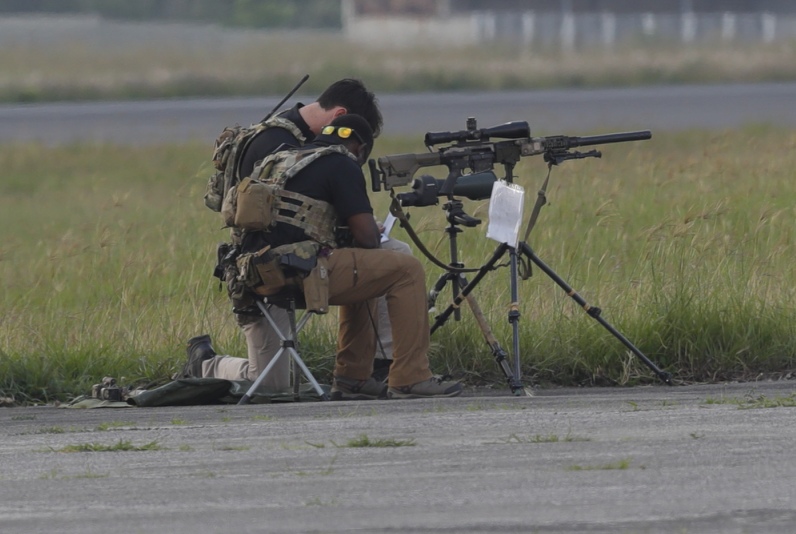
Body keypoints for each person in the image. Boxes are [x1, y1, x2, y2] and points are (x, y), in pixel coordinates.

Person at [195, 114, 461, 399]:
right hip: (299, 273)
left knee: (369, 270)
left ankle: (353, 379)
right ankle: (411, 378)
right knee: (406, 270)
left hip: (257, 276)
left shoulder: (282, 158)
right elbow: (368, 239)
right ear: (360, 148)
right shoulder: (341, 162)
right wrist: (370, 228)